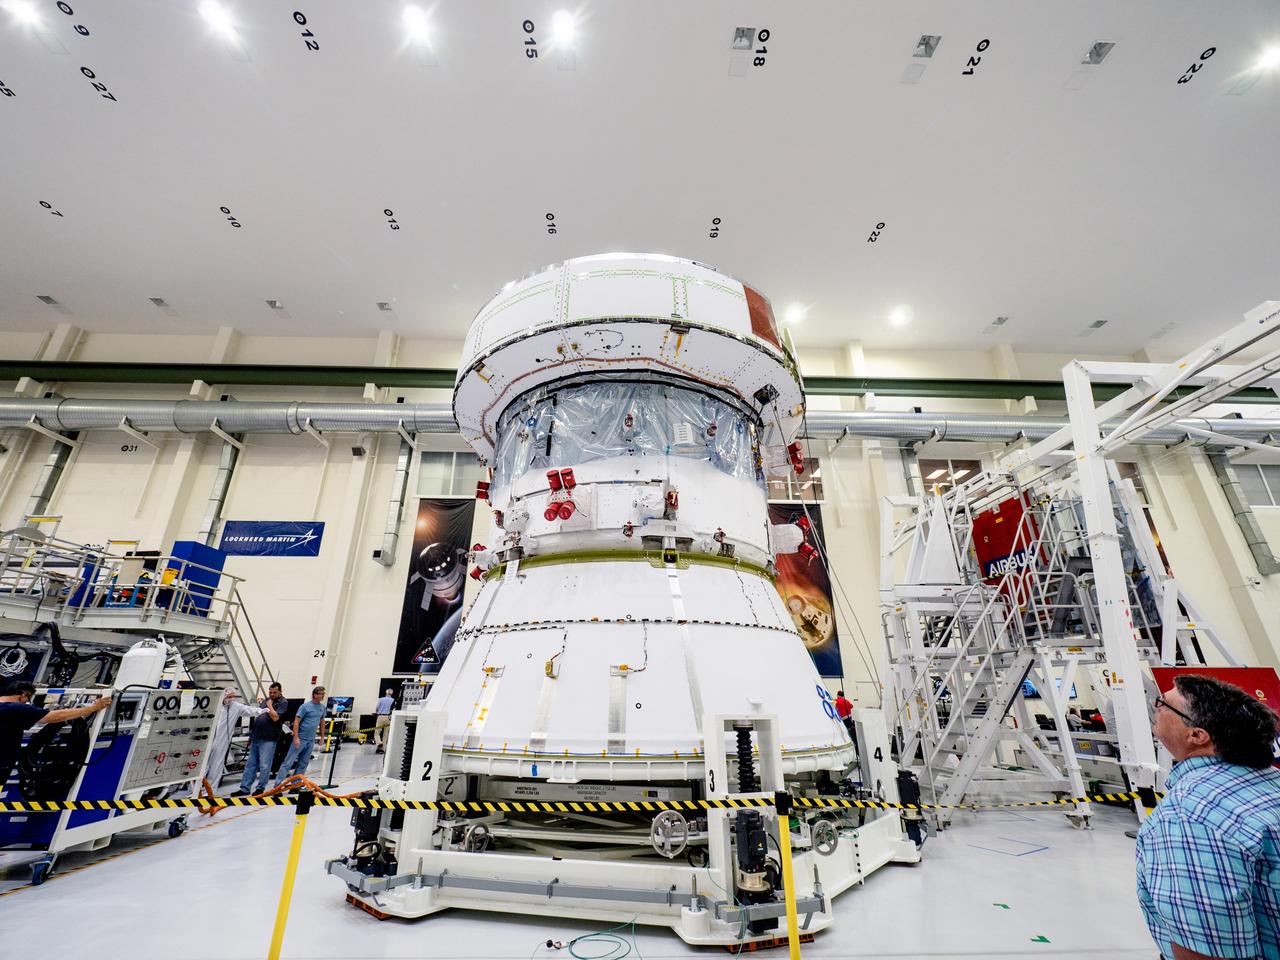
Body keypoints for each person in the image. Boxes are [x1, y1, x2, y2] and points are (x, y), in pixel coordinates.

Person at [1135, 674, 1280, 960]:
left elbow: (1205, 948)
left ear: (1197, 735)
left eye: (1162, 704)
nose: (1155, 708)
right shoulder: (1270, 782)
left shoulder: (1188, 816)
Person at [0, 681, 112, 792]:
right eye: (28, 700)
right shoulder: (15, 707)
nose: (27, 703)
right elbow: (53, 717)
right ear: (24, 695)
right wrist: (92, 708)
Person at [198, 689, 264, 795]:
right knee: (202, 766)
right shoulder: (213, 704)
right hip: (207, 740)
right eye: (229, 696)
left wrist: (263, 711)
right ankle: (196, 791)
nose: (231, 699)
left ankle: (209, 792)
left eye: (233, 696)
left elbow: (249, 710)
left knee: (216, 767)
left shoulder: (235, 706)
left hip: (222, 740)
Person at [233, 682, 286, 796]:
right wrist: (251, 736)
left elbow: (275, 717)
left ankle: (260, 788)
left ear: (280, 691)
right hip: (257, 737)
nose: (271, 694)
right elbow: (259, 715)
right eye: (270, 692)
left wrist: (270, 705)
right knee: (250, 764)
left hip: (268, 739)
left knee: (264, 765)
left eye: (274, 692)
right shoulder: (266, 700)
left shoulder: (282, 702)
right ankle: (245, 788)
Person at [273, 686, 326, 787]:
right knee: (288, 762)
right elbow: (297, 721)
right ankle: (277, 785)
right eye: (320, 693)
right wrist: (296, 737)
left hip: (310, 740)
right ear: (315, 695)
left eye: (323, 694)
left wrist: (322, 736)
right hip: (300, 738)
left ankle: (295, 785)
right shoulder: (305, 707)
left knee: (303, 763)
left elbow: (322, 721)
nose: (322, 695)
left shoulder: (322, 708)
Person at [374, 687, 395, 753]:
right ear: (392, 693)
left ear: (386, 692)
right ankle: (382, 749)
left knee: (377, 733)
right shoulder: (393, 700)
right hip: (389, 718)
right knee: (385, 734)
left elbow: (377, 708)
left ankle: (379, 743)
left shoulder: (381, 699)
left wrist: (378, 712)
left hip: (381, 716)